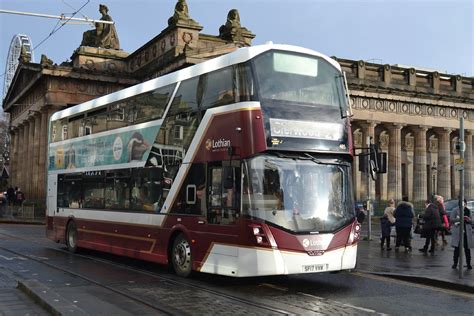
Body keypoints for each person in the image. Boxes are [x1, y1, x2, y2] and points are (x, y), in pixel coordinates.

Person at [450, 199, 472, 270]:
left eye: (465, 204)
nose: (464, 205)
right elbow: (451, 219)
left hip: (466, 232)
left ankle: (468, 264)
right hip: (458, 232)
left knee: (467, 249)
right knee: (457, 249)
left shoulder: (468, 210)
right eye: (463, 204)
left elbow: (472, 220)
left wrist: (469, 219)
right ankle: (455, 264)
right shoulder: (455, 210)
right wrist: (460, 219)